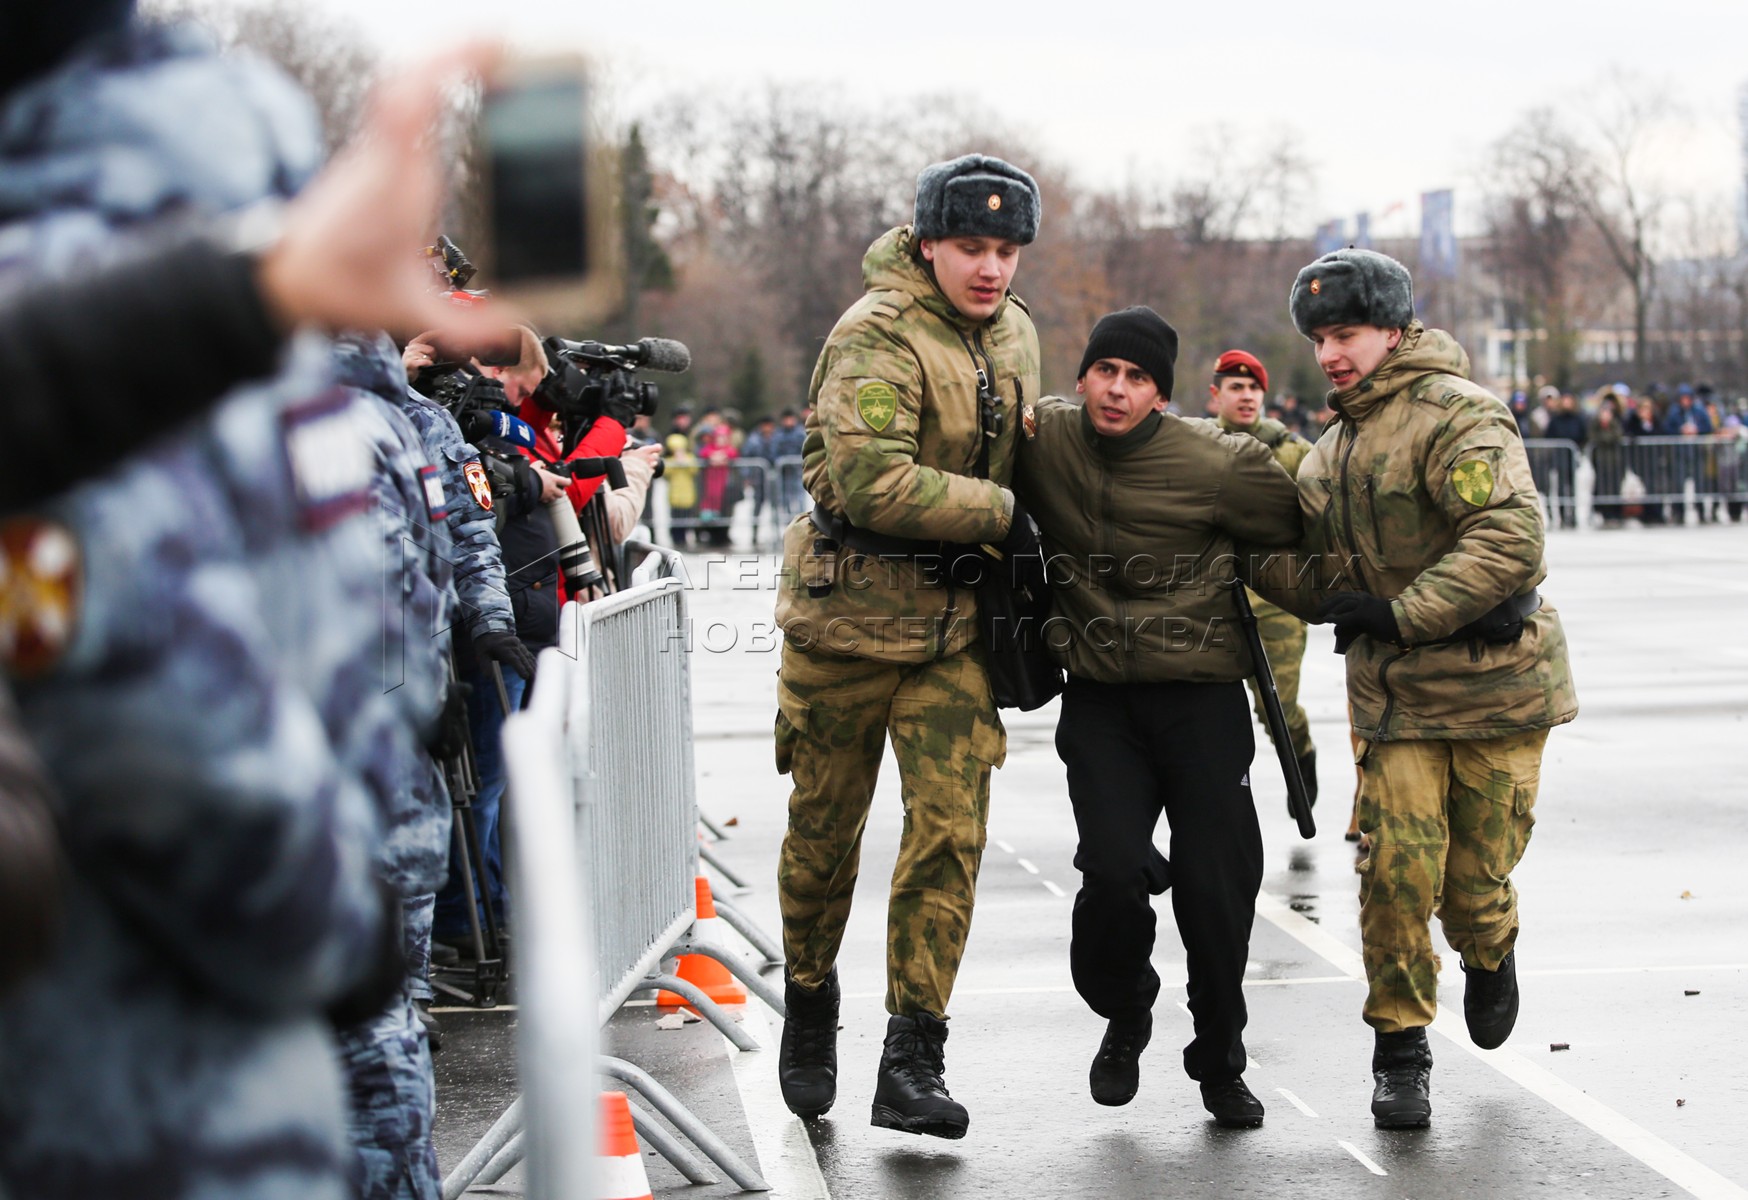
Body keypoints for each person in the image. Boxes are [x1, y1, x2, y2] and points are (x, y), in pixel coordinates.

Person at [771, 153, 1042, 1139]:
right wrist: (1003, 512)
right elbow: (867, 481)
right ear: (925, 243)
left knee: (947, 838)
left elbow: (1026, 448)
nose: (990, 268)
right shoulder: (874, 332)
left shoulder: (1015, 332)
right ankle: (808, 1005)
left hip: (952, 632)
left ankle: (911, 1054)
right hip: (843, 624)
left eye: (1006, 250)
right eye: (971, 247)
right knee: (821, 842)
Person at [1284, 248, 1578, 1129]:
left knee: (1473, 883)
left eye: (1347, 334)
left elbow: (1510, 538)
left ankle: (1491, 952)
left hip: (1497, 693)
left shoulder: (1460, 416)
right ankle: (1400, 1051)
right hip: (1398, 704)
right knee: (1395, 877)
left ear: (1394, 330)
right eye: (1320, 339)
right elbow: (1305, 565)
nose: (1332, 353)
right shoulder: (1329, 451)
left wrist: (1403, 612)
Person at [1014, 309, 1301, 1127]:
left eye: (1138, 378)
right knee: (1109, 870)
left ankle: (1219, 1060)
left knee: (1214, 894)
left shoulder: (1218, 462)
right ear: (1082, 379)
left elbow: (1296, 532)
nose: (1118, 389)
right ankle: (1126, 1006)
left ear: (1163, 397)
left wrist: (1360, 607)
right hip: (1102, 701)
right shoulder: (1046, 440)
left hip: (1202, 701)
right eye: (1106, 370)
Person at [1204, 348, 1319, 804]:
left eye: (1253, 388)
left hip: (1278, 603)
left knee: (1277, 707)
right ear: (1216, 395)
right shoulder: (1196, 447)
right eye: (1236, 387)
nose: (1246, 395)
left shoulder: (1294, 453)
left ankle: (1301, 753)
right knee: (1215, 713)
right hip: (1211, 601)